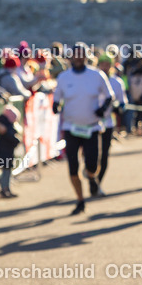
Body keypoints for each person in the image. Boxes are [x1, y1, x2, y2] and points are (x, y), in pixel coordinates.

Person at [52, 42, 114, 215]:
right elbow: (57, 98)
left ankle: (92, 178)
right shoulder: (64, 77)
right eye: (75, 55)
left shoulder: (97, 75)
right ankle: (80, 200)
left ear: (86, 57)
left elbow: (110, 96)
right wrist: (55, 106)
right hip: (71, 127)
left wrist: (102, 110)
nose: (78, 58)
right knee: (73, 166)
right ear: (70, 57)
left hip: (91, 128)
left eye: (81, 55)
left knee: (93, 164)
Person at [95, 53, 127, 194]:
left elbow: (122, 101)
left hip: (108, 122)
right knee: (93, 153)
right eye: (102, 64)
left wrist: (119, 107)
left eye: (108, 64)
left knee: (105, 154)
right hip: (92, 122)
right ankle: (91, 174)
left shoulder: (117, 82)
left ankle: (98, 182)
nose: (105, 67)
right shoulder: (92, 80)